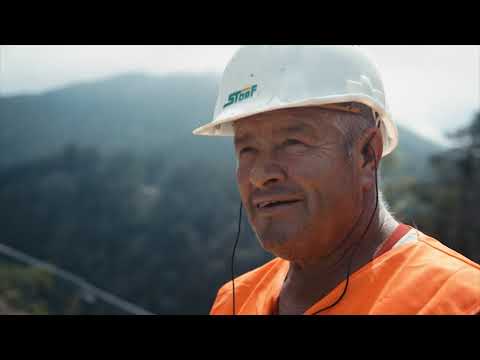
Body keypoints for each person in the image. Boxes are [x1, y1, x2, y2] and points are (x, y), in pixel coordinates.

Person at [192, 45, 480, 315]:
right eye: (247, 149)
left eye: (293, 141)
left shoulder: (458, 300)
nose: (260, 175)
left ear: (367, 154)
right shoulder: (235, 300)